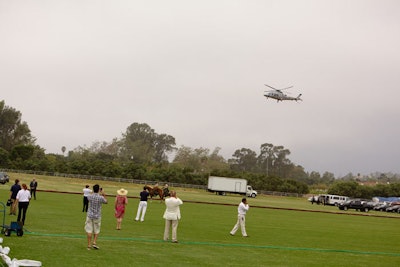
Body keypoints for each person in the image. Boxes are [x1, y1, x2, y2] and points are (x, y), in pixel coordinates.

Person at [84, 184, 107, 250]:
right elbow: (106, 201)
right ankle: (94, 242)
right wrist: (103, 194)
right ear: (99, 190)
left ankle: (89, 245)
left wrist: (93, 192)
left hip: (90, 215)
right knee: (96, 230)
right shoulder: (101, 197)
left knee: (89, 230)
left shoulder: (90, 196)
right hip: (97, 215)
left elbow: (88, 198)